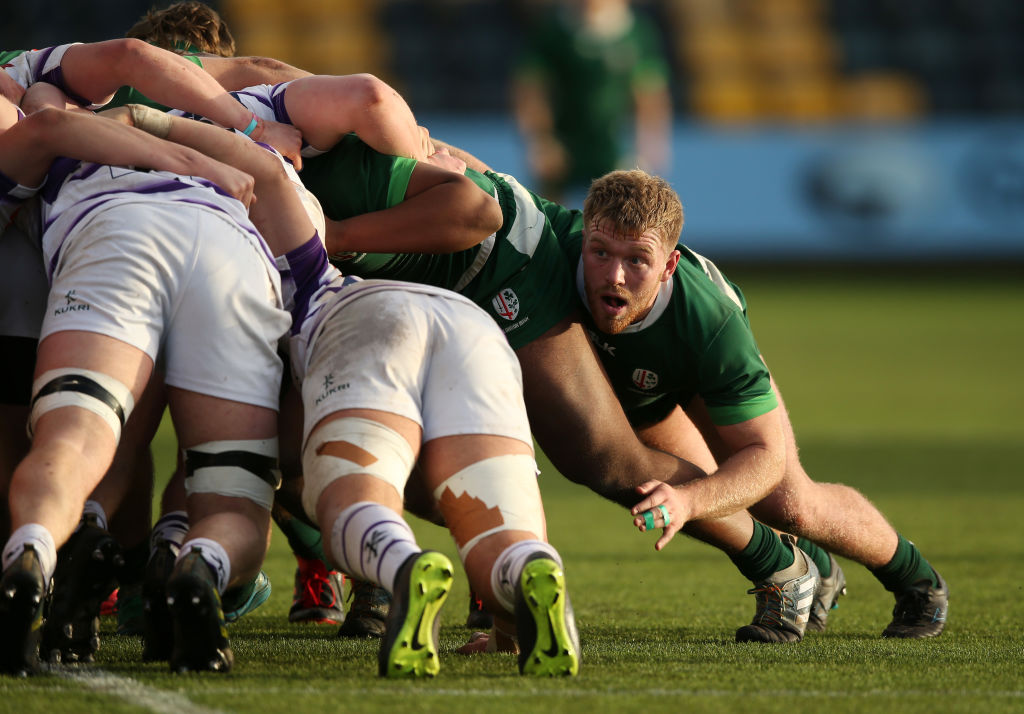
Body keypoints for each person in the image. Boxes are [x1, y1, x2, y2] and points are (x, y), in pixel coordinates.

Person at [558, 169, 948, 639]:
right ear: (584, 240)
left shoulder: (711, 323)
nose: (615, 275)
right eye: (601, 252)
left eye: (638, 260)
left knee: (785, 502)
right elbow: (488, 182)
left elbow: (765, 457)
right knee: (650, 481)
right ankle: (811, 569)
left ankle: (918, 582)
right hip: (628, 387)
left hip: (692, 371)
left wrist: (690, 500)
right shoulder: (550, 247)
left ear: (669, 266)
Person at [0, 97, 313, 674]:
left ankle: (30, 556)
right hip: (233, 251)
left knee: (71, 441)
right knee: (232, 495)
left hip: (112, 235)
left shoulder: (67, 131)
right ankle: (198, 566)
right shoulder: (257, 151)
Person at [288, 266, 581, 677]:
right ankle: (525, 566)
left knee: (350, 506)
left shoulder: (246, 248)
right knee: (503, 539)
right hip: (474, 327)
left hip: (363, 319)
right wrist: (505, 637)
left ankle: (403, 565)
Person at [512, 0, 672, 205]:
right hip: (563, 146)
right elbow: (531, 89)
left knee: (623, 219)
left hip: (613, 147)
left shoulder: (637, 32)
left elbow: (649, 92)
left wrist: (650, 144)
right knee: (544, 219)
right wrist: (540, 141)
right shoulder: (553, 31)